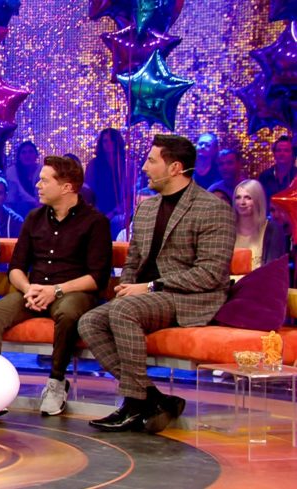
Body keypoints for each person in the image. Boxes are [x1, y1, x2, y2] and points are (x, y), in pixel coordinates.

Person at [78, 134, 235, 434]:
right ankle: (154, 399)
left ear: (175, 168)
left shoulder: (213, 209)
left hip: (190, 297)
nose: (144, 168)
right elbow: (133, 261)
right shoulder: (147, 209)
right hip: (145, 297)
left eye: (151, 161)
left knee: (123, 312)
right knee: (89, 322)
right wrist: (126, 289)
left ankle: (134, 403)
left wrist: (150, 287)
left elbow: (210, 274)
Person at [0, 156, 112, 416]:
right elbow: (16, 268)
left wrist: (56, 290)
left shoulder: (96, 222)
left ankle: (56, 383)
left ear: (67, 187)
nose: (37, 185)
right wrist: (28, 288)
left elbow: (97, 278)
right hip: (34, 291)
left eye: (44, 180)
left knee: (68, 312)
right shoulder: (34, 218)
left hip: (73, 292)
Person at [233, 179, 287, 270]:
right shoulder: (228, 229)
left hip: (262, 279)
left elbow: (273, 270)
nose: (242, 202)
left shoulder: (272, 229)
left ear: (258, 200)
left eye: (248, 198)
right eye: (238, 197)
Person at [85, 128, 127, 220]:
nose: (109, 144)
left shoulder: (127, 165)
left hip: (120, 215)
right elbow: (88, 191)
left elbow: (129, 195)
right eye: (105, 141)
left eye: (112, 141)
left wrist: (115, 212)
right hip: (96, 212)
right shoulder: (93, 165)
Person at [5, 140, 41, 219]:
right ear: (19, 156)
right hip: (19, 206)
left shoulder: (42, 170)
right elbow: (16, 194)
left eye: (30, 152)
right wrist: (34, 202)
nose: (27, 155)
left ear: (36, 155)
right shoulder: (12, 171)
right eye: (24, 152)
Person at [259, 135, 297, 207]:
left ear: (292, 154)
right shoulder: (265, 176)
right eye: (279, 150)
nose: (282, 154)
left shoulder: (296, 175)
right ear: (274, 154)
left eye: (286, 150)